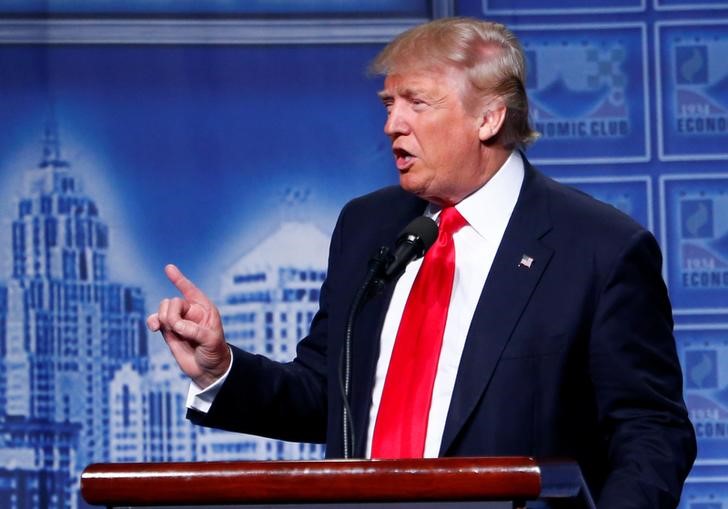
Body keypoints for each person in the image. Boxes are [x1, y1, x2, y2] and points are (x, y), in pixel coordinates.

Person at [147, 17, 696, 508]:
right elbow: (328, 393)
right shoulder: (367, 227)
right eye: (389, 104)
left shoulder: (598, 247)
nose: (392, 125)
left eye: (417, 103)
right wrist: (223, 369)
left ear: (488, 118)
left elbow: (651, 431)